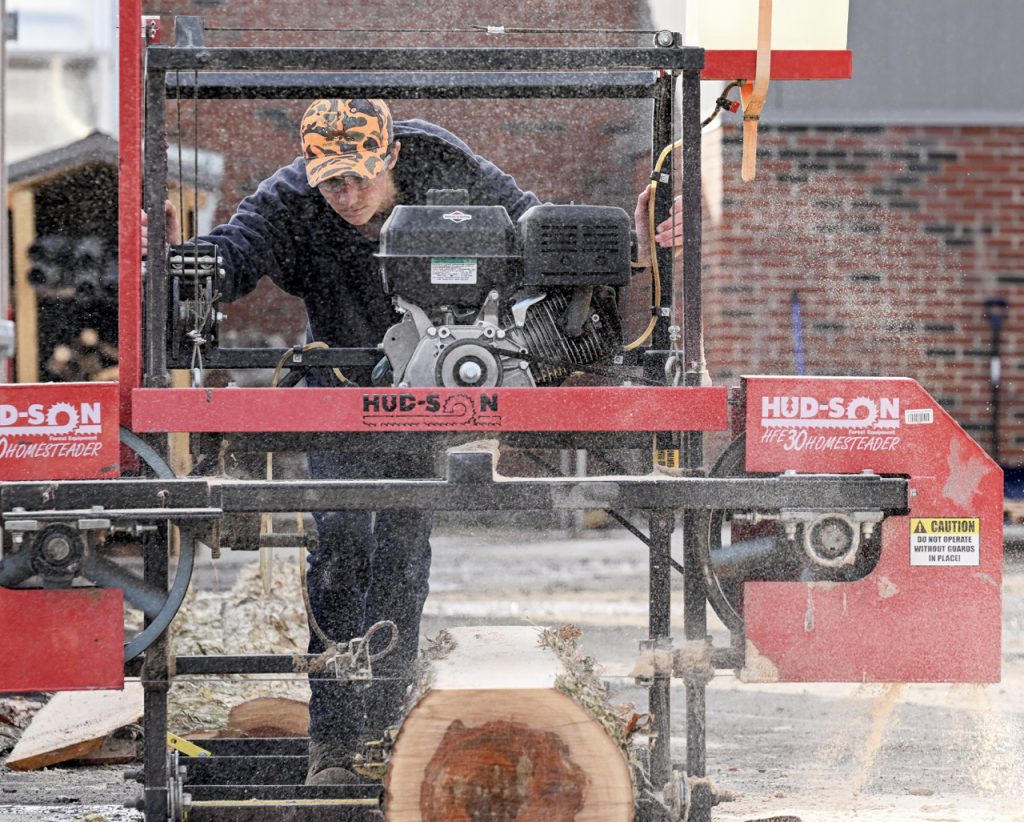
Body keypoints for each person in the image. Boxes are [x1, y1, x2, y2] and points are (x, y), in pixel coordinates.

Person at [142, 98, 684, 785]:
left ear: (392, 155)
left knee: (401, 549)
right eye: (330, 182)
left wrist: (636, 250)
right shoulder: (290, 198)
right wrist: (173, 262)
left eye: (358, 178)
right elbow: (234, 254)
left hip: (427, 390)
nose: (345, 195)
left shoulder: (445, 163)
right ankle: (333, 748)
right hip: (342, 390)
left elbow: (541, 234)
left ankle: (387, 731)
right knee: (342, 540)